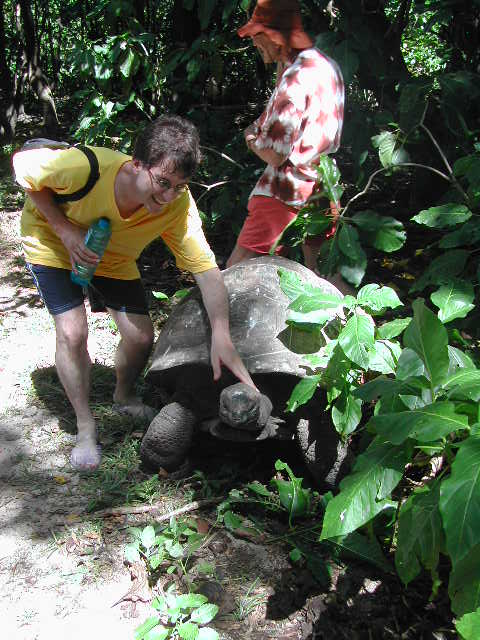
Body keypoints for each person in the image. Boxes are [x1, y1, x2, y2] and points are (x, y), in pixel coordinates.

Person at [13, 115, 255, 472]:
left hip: (113, 256)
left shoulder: (177, 206)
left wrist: (221, 334)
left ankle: (123, 396)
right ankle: (84, 426)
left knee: (141, 337)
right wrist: (64, 230)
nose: (169, 195)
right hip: (52, 243)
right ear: (136, 164)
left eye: (180, 185)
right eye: (162, 181)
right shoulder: (86, 167)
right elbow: (22, 166)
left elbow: (207, 271)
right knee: (72, 331)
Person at [226, 0, 345, 284]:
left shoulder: (294, 81)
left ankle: (216, 328)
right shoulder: (326, 66)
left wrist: (252, 139)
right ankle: (359, 322)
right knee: (325, 272)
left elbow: (275, 154)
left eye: (259, 36)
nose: (255, 43)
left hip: (286, 187)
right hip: (324, 181)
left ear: (275, 36)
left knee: (237, 269)